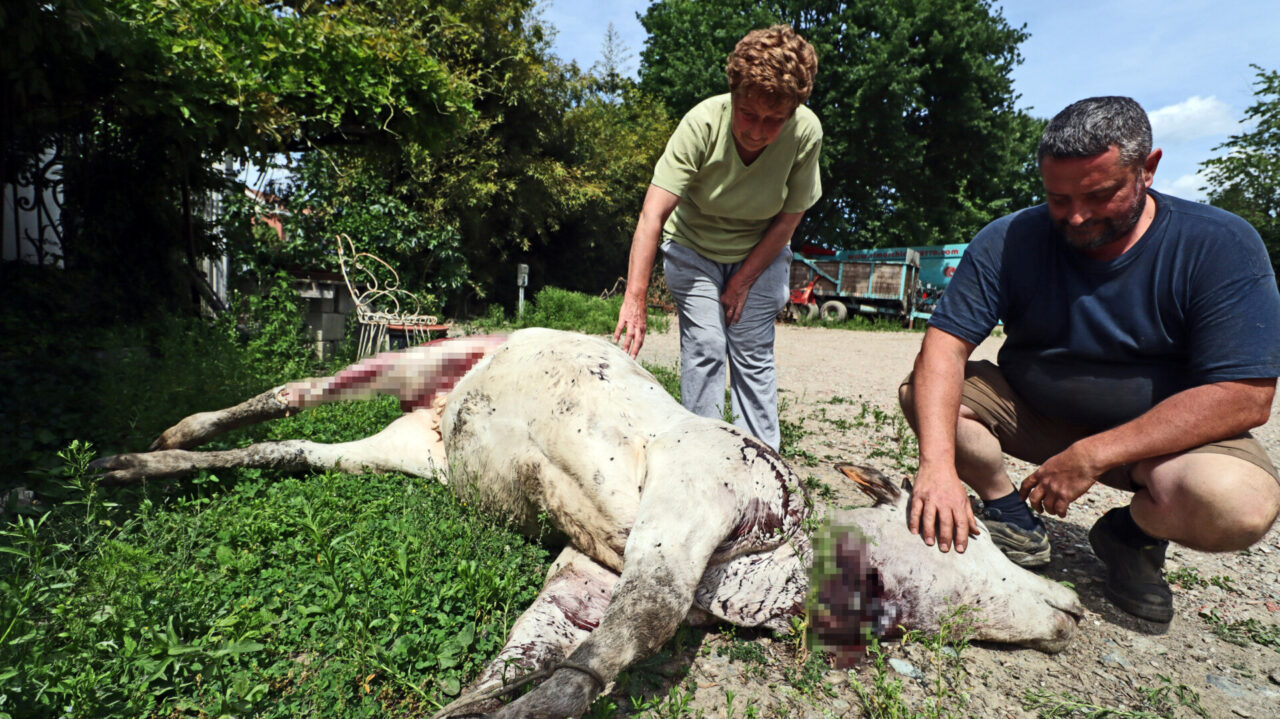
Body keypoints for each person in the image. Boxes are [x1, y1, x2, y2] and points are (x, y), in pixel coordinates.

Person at [898, 96, 1280, 624]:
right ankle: (1009, 511)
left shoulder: (1219, 244)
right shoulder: (1010, 239)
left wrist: (1095, 454)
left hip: (1161, 442)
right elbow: (944, 345)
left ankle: (1133, 538)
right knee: (922, 395)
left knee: (1240, 504)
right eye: (1058, 198)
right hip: (1037, 413)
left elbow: (1245, 396)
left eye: (1099, 195)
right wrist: (936, 467)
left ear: (1148, 168)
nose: (1075, 216)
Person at [612, 25, 822, 451]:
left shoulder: (805, 134)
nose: (758, 131)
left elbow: (788, 220)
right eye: (749, 114)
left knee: (751, 351)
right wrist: (635, 298)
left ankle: (763, 466)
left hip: (761, 251)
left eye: (773, 120)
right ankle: (703, 457)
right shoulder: (703, 123)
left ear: (792, 112)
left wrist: (742, 280)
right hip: (693, 249)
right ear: (735, 93)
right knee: (707, 346)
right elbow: (653, 213)